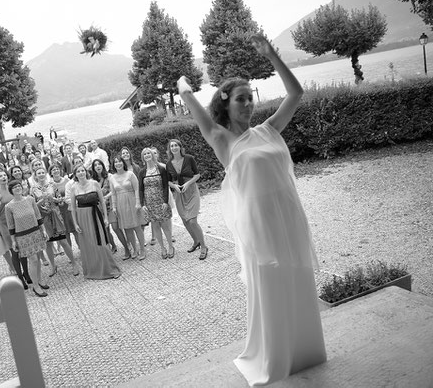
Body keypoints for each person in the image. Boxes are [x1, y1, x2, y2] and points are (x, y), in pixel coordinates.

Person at [177, 34, 326, 385]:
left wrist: (272, 55)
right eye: (240, 99)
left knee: (298, 281)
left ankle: (306, 351)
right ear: (226, 104)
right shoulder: (220, 138)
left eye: (250, 98)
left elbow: (296, 93)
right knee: (272, 287)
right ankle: (274, 360)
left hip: (289, 216)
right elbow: (193, 103)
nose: (247, 104)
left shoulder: (268, 129)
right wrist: (183, 86)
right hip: (259, 226)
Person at [70, 165, 121, 279]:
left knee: (101, 242)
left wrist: (106, 218)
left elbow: (102, 202)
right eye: (78, 171)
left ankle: (109, 269)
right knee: (88, 244)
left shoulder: (94, 183)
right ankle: (93, 270)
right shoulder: (74, 188)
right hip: (82, 217)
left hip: (95, 215)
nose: (81, 173)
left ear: (86, 172)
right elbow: (73, 207)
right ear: (75, 174)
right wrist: (75, 223)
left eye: (82, 170)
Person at [31, 167, 80, 276]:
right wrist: (42, 200)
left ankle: (74, 263)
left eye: (43, 172)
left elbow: (60, 201)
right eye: (39, 173)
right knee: (48, 243)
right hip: (43, 218)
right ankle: (53, 266)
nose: (41, 174)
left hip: (56, 216)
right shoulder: (33, 189)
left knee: (63, 241)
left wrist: (54, 200)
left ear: (46, 174)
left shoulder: (53, 185)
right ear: (35, 175)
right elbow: (33, 206)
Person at [5, 180, 49, 297]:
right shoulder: (9, 207)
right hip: (22, 236)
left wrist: (43, 230)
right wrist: (13, 241)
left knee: (38, 257)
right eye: (14, 187)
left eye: (19, 186)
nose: (17, 188)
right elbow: (11, 226)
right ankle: (35, 286)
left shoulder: (30, 199)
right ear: (11, 191)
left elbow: (38, 216)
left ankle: (39, 280)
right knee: (33, 259)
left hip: (35, 231)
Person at [165, 139, 208, 260]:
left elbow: (197, 174)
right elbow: (168, 181)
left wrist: (188, 184)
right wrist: (174, 187)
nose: (174, 148)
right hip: (179, 194)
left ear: (180, 147)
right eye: (171, 146)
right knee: (185, 220)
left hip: (191, 191)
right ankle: (196, 242)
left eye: (176, 145)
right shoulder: (169, 164)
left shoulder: (189, 158)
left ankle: (204, 246)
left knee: (192, 221)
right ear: (170, 149)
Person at [0, 170, 30, 290]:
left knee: (22, 249)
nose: (3, 177)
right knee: (14, 250)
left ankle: (26, 273)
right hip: (5, 225)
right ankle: (20, 277)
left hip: (18, 222)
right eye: (0, 176)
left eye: (4, 175)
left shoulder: (13, 188)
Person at [139, 147, 175, 259]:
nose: (147, 155)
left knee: (165, 225)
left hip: (161, 201)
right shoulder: (142, 172)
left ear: (153, 155)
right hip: (149, 203)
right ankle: (162, 248)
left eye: (149, 153)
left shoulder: (161, 169)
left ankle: (170, 246)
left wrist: (165, 201)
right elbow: (141, 189)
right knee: (155, 226)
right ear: (143, 157)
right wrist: (142, 204)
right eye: (145, 154)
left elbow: (165, 186)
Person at [109, 155, 146, 260]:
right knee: (127, 228)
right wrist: (114, 207)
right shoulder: (112, 177)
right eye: (116, 162)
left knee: (137, 226)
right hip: (121, 204)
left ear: (123, 163)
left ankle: (142, 249)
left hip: (132, 201)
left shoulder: (130, 174)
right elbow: (113, 193)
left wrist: (138, 202)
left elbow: (136, 189)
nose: (118, 164)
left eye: (120, 161)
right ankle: (135, 249)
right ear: (113, 165)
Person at [90, 159, 120, 254]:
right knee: (106, 230)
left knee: (115, 227)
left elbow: (114, 188)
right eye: (95, 165)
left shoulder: (109, 176)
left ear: (103, 165)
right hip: (100, 208)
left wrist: (107, 196)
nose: (98, 166)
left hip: (110, 205)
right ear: (93, 168)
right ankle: (113, 246)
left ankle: (127, 246)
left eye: (99, 164)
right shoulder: (92, 181)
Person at [49, 163, 79, 249]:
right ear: (50, 172)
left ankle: (81, 249)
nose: (56, 171)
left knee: (74, 230)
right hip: (58, 210)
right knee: (65, 233)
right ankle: (70, 252)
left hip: (68, 208)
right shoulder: (50, 184)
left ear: (60, 170)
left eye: (57, 169)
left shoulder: (67, 180)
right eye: (53, 169)